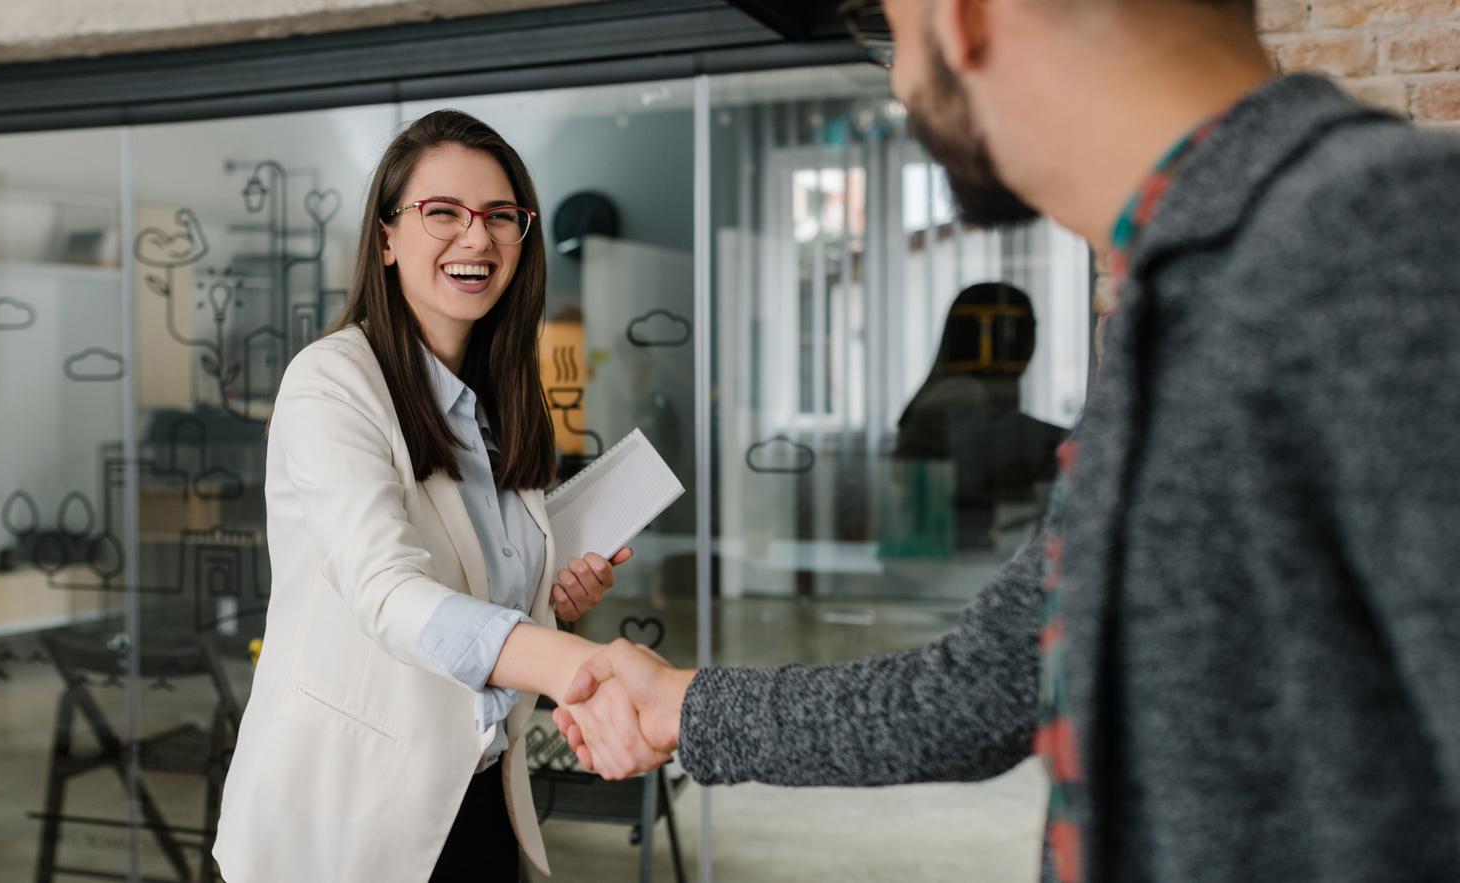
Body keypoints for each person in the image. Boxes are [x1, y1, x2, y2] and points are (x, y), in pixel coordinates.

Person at [555, 0, 1460, 880]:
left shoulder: (1390, 238)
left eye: (890, 33)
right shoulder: (1178, 301)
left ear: (967, 18)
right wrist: (683, 703)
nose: (903, 79)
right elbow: (980, 690)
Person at [212, 109, 636, 883]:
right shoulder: (332, 380)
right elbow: (387, 589)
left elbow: (473, 585)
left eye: (500, 217)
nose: (476, 239)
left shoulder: (499, 399)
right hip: (345, 821)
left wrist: (550, 586)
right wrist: (571, 662)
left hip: (475, 798)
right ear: (385, 238)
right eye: (442, 213)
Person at [894, 281, 1066, 548]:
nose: (1031, 341)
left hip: (966, 548)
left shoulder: (964, 390)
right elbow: (981, 470)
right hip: (949, 560)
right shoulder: (962, 392)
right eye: (1025, 329)